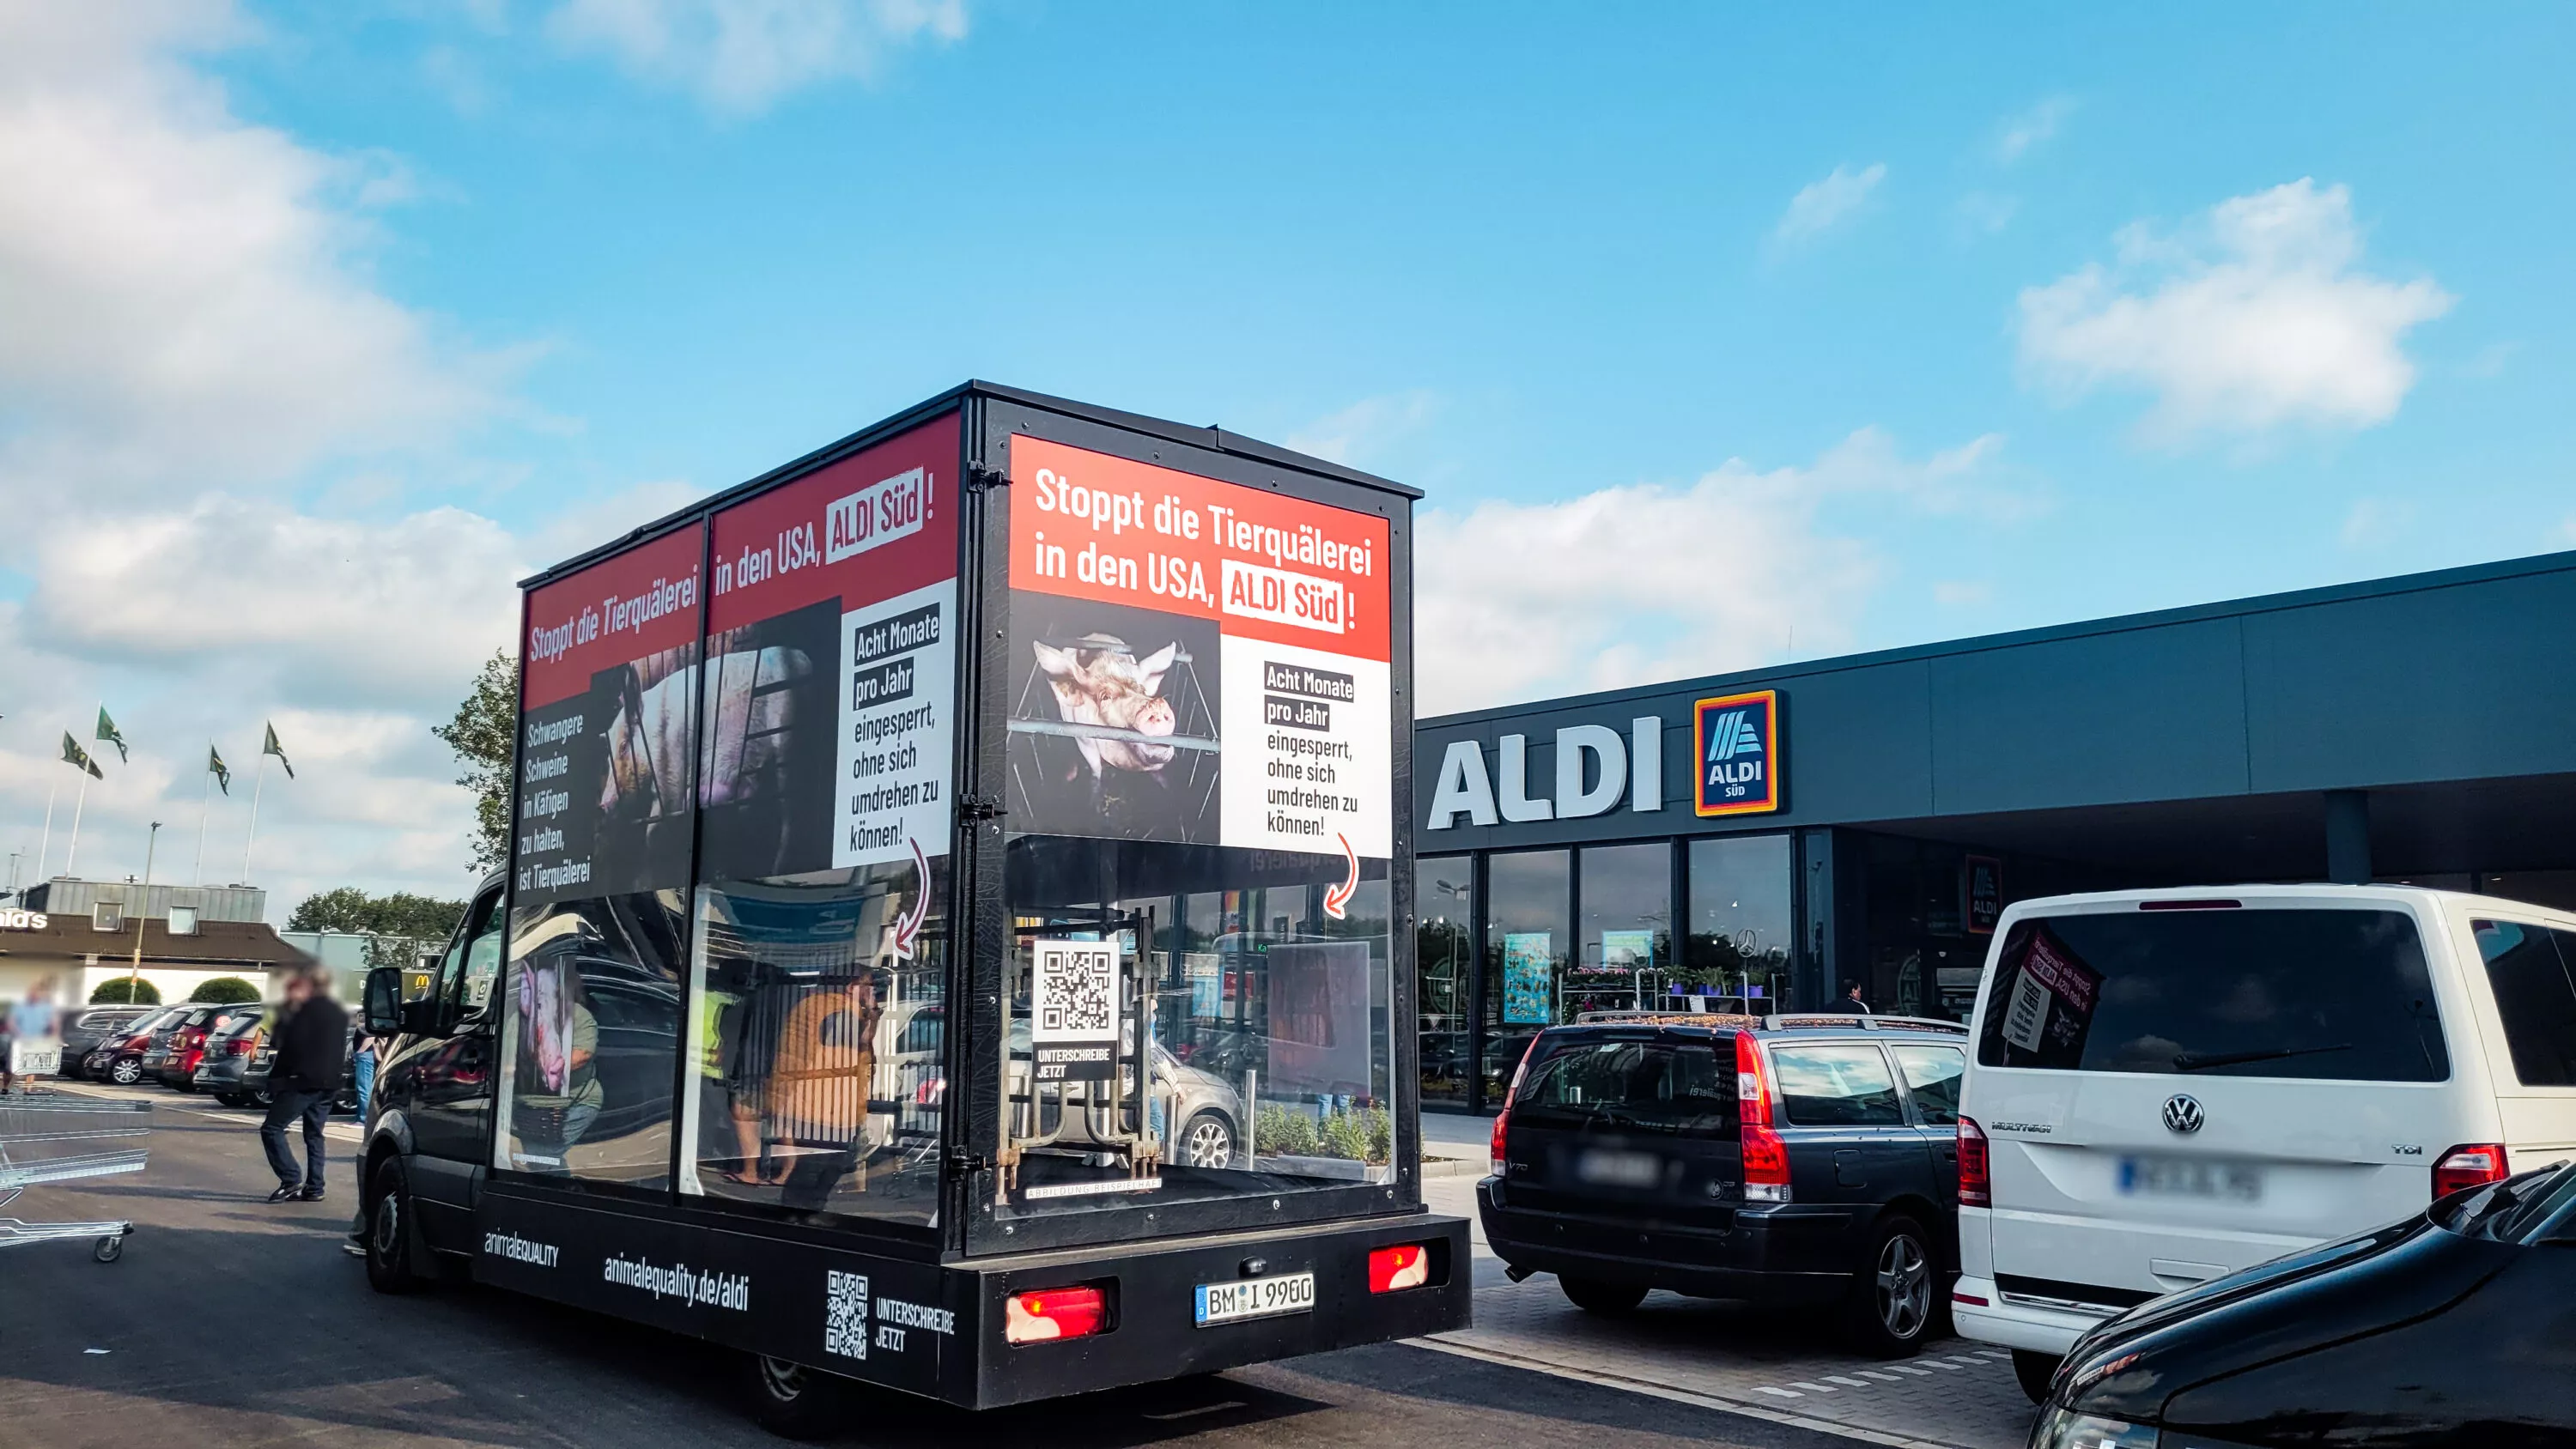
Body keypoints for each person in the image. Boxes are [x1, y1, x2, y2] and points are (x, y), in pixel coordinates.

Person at [261, 966, 348, 1203]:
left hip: (302, 1081)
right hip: (329, 1083)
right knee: (314, 1134)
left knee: (272, 1128)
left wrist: (276, 1082)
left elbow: (287, 1047)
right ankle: (315, 1187)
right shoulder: (339, 1013)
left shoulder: (302, 1013)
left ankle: (290, 1178)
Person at [1, 978, 60, 1095]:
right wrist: (19, 1033)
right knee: (10, 1065)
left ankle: (28, 1089)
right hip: (18, 1040)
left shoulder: (46, 1007)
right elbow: (11, 1022)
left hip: (35, 1039)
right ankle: (6, 1087)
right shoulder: (20, 1006)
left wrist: (54, 1036)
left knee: (31, 1064)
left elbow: (53, 1023)